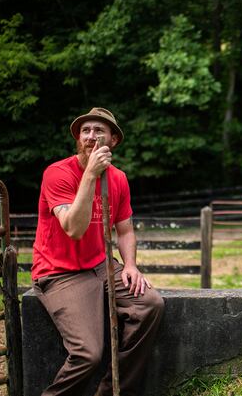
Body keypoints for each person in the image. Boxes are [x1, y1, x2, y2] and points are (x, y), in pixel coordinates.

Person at [31, 107, 165, 396]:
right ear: (78, 138)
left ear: (113, 140)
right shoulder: (58, 173)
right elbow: (73, 228)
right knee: (88, 354)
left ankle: (112, 392)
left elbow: (125, 230)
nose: (91, 136)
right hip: (60, 273)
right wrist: (90, 175)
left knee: (150, 305)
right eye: (85, 130)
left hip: (102, 266)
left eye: (99, 130)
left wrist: (129, 265)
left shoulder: (119, 178)